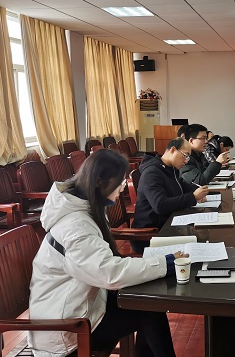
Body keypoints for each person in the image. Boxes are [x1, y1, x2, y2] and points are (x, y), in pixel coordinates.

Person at [29, 149, 183, 357]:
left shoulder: (87, 207)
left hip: (83, 306)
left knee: (149, 304)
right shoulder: (75, 227)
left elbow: (104, 267)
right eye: (120, 182)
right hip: (66, 330)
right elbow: (110, 273)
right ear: (99, 182)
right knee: (148, 310)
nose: (123, 187)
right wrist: (166, 263)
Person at [132, 137, 209, 254]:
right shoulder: (152, 172)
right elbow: (160, 205)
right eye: (185, 155)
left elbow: (182, 185)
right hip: (152, 233)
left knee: (204, 235)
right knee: (200, 243)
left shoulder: (170, 168)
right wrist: (193, 197)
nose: (186, 161)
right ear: (173, 150)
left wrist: (199, 191)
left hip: (170, 223)